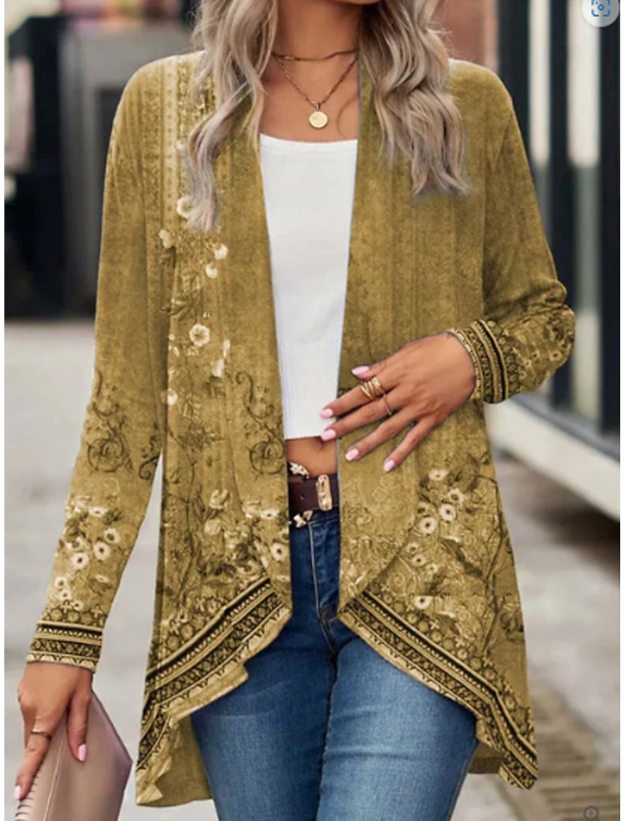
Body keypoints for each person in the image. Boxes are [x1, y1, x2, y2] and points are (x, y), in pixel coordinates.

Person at [14, 0, 576, 817]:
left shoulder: (462, 105)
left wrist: (468, 356)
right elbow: (125, 403)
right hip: (234, 585)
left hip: (423, 565)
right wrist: (68, 631)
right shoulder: (163, 110)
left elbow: (543, 318)